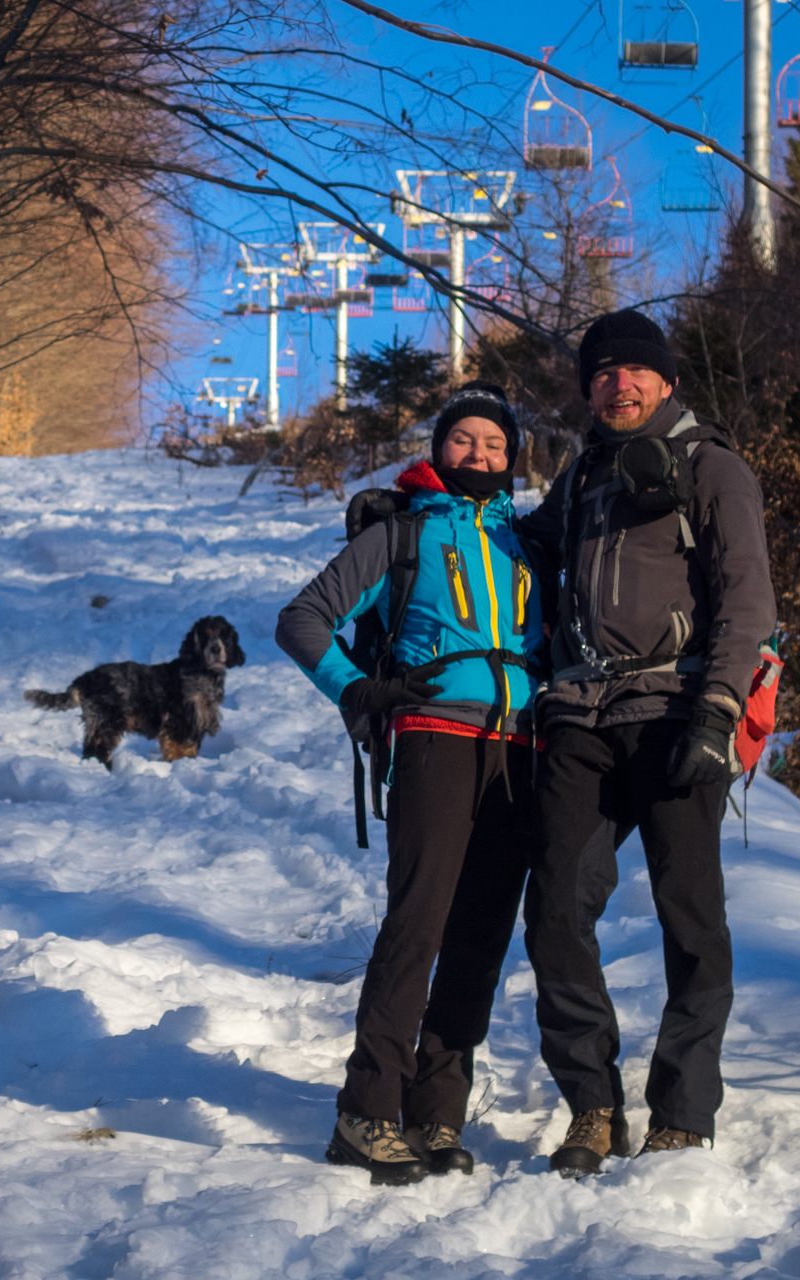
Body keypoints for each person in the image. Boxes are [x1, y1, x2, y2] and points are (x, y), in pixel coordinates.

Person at [515, 309, 776, 1177]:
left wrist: (718, 710)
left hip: (677, 714)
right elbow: (517, 544)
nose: (616, 384)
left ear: (665, 382)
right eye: (600, 375)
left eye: (633, 372)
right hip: (582, 717)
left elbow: (748, 604)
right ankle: (593, 1106)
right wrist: (418, 515)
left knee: (690, 917)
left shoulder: (714, 468)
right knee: (556, 912)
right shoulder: (583, 470)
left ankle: (684, 1108)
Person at [276, 381, 545, 1185]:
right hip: (433, 737)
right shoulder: (401, 531)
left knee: (479, 937)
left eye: (495, 445)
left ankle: (436, 1115)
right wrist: (358, 689)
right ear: (437, 448)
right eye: (465, 440)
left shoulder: (524, 542)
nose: (481, 455)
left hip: (517, 745)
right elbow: (302, 620)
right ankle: (366, 1112)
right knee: (418, 925)